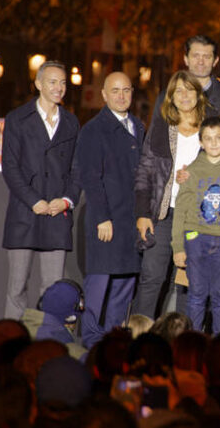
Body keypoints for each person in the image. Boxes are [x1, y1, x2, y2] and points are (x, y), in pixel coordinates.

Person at [1, 61, 79, 319]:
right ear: (38, 85)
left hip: (57, 215)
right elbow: (10, 167)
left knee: (54, 289)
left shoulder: (71, 122)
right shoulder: (17, 119)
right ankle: (11, 344)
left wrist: (66, 200)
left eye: (63, 82)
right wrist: (33, 200)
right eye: (53, 82)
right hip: (24, 213)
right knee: (17, 287)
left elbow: (76, 170)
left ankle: (49, 344)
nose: (59, 88)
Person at [134, 70, 211, 319]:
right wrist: (144, 214)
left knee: (188, 282)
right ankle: (139, 336)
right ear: (171, 96)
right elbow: (145, 171)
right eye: (179, 90)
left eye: (189, 89)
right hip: (163, 214)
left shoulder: (211, 129)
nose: (185, 95)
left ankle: (182, 341)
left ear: (198, 95)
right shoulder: (161, 128)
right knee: (151, 278)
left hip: (196, 217)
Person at [76, 72, 145, 348]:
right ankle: (91, 341)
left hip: (130, 219)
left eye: (126, 90)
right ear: (103, 94)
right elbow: (90, 178)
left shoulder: (138, 126)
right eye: (115, 90)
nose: (121, 96)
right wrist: (102, 217)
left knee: (125, 281)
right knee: (99, 281)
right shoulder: (93, 130)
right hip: (106, 218)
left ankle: (114, 341)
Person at [171, 117, 220, 333]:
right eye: (208, 138)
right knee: (196, 295)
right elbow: (180, 210)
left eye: (218, 138)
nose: (213, 143)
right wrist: (178, 247)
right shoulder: (192, 170)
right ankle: (193, 344)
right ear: (200, 142)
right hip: (195, 237)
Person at [152, 35, 220, 118]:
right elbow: (156, 130)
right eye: (195, 56)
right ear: (186, 59)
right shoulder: (166, 98)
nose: (201, 62)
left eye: (206, 57)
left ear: (215, 61)